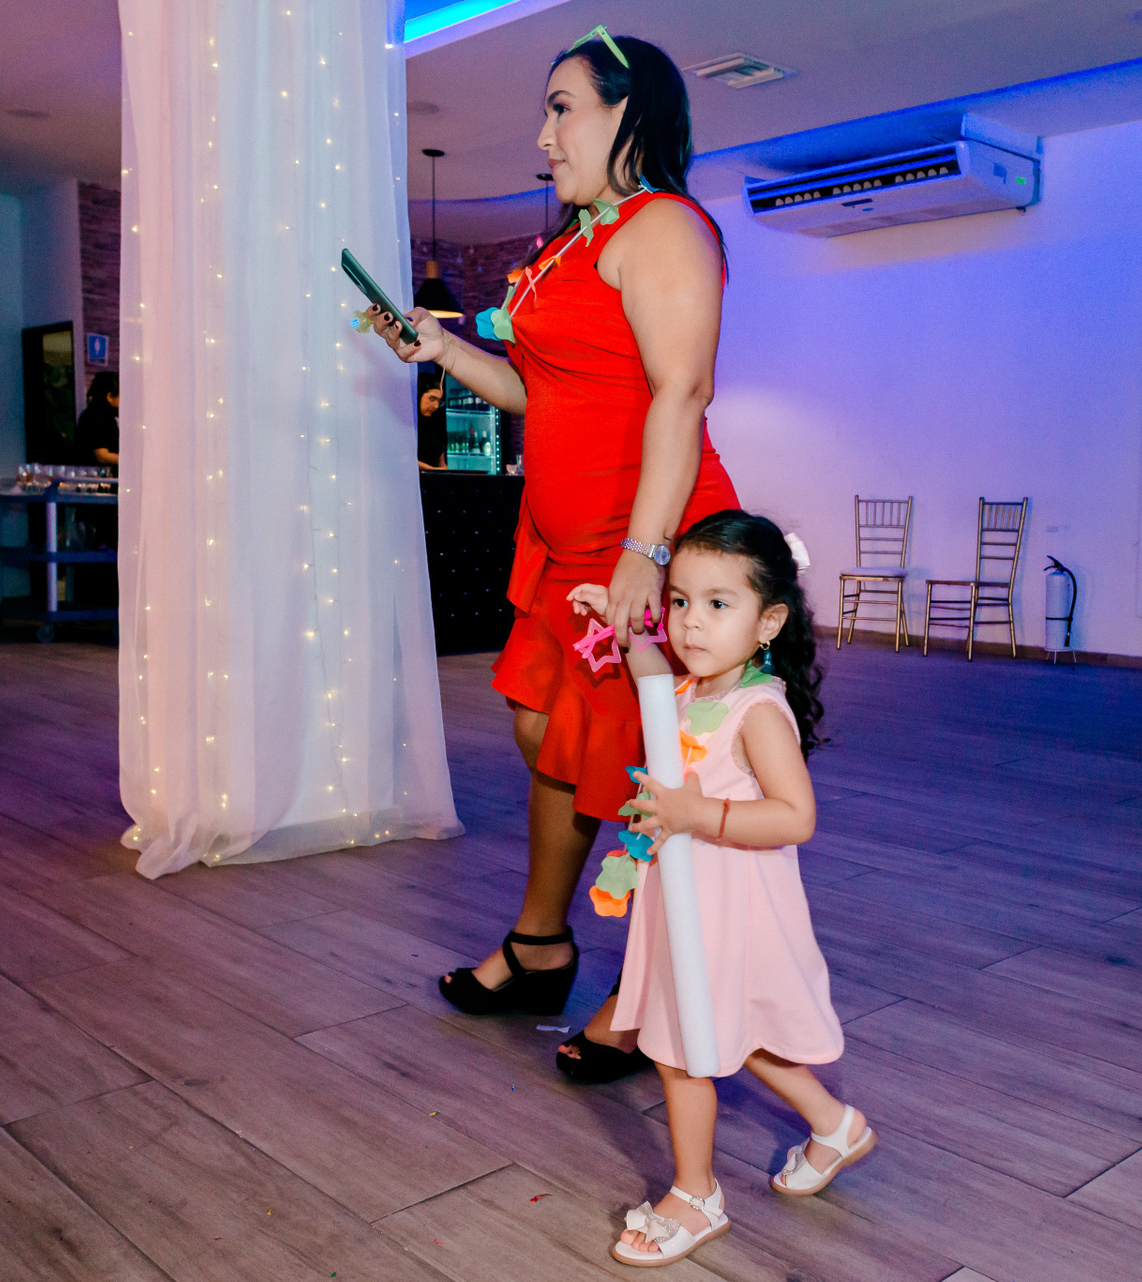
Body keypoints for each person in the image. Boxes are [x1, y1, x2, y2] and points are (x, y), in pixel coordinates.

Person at [364, 29, 737, 1081]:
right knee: (550, 737)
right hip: (563, 547)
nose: (543, 133)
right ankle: (540, 945)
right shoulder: (572, 243)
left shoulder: (665, 228)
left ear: (629, 112)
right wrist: (443, 348)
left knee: (646, 771)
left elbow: (682, 392)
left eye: (563, 107)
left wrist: (645, 555)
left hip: (645, 544)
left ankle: (657, 988)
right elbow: (540, 391)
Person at [566, 510, 872, 1267]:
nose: (691, 622)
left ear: (768, 622)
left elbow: (796, 815)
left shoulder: (756, 711)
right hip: (686, 904)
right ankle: (834, 1126)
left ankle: (696, 1194)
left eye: (717, 603)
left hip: (728, 910)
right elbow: (649, 683)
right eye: (678, 601)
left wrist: (700, 813)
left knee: (681, 1050)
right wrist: (622, 626)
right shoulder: (688, 688)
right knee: (739, 1031)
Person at [75, 371, 120, 469]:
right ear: (109, 396)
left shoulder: (98, 414)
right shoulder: (97, 417)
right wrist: (129, 461)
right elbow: (101, 455)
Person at [416, 371, 448, 470]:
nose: (436, 406)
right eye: (432, 399)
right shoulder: (405, 424)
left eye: (439, 401)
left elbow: (442, 463)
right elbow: (404, 459)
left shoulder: (435, 424)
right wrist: (433, 470)